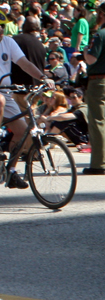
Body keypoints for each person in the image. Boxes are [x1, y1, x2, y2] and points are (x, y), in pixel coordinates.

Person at [0, 8, 55, 189]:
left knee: (23, 132)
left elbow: (24, 63)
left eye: (3, 27)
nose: (0, 31)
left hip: (4, 90)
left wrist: (43, 77)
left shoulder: (9, 42)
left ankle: (11, 171)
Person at [83, 2, 105, 175]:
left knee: (97, 122)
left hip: (99, 81)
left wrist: (84, 53)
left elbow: (91, 60)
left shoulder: (101, 34)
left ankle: (99, 164)